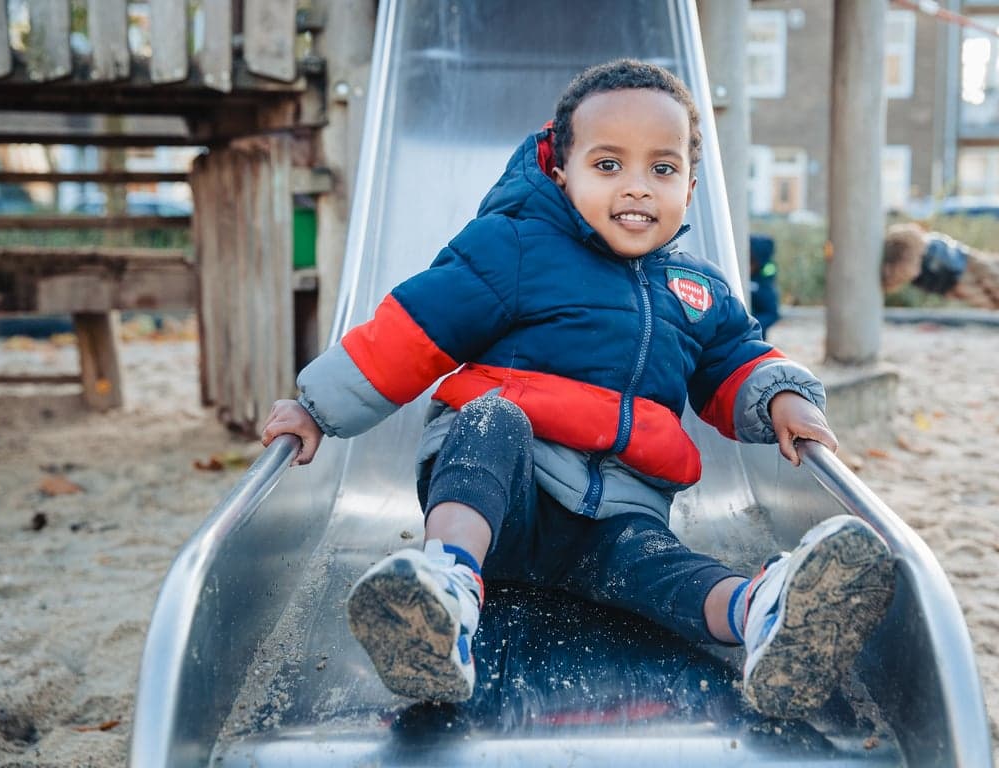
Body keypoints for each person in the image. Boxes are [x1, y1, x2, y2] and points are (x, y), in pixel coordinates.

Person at [261, 59, 895, 720]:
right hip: (507, 497)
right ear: (562, 174)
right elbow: (411, 332)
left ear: (691, 183)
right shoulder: (514, 249)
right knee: (490, 420)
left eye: (663, 168)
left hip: (617, 518)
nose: (638, 188)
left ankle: (764, 613)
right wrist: (318, 407)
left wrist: (779, 395)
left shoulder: (697, 288)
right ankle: (445, 587)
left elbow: (734, 359)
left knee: (664, 568)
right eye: (609, 165)